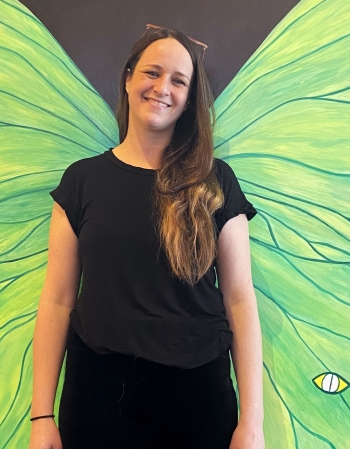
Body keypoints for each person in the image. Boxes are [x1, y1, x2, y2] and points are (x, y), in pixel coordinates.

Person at [29, 25, 265, 449]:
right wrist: (41, 415)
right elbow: (58, 299)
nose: (162, 88)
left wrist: (252, 423)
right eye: (152, 73)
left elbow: (240, 299)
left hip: (198, 397)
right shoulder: (81, 181)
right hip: (97, 395)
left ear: (190, 98)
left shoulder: (216, 182)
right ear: (128, 78)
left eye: (179, 80)